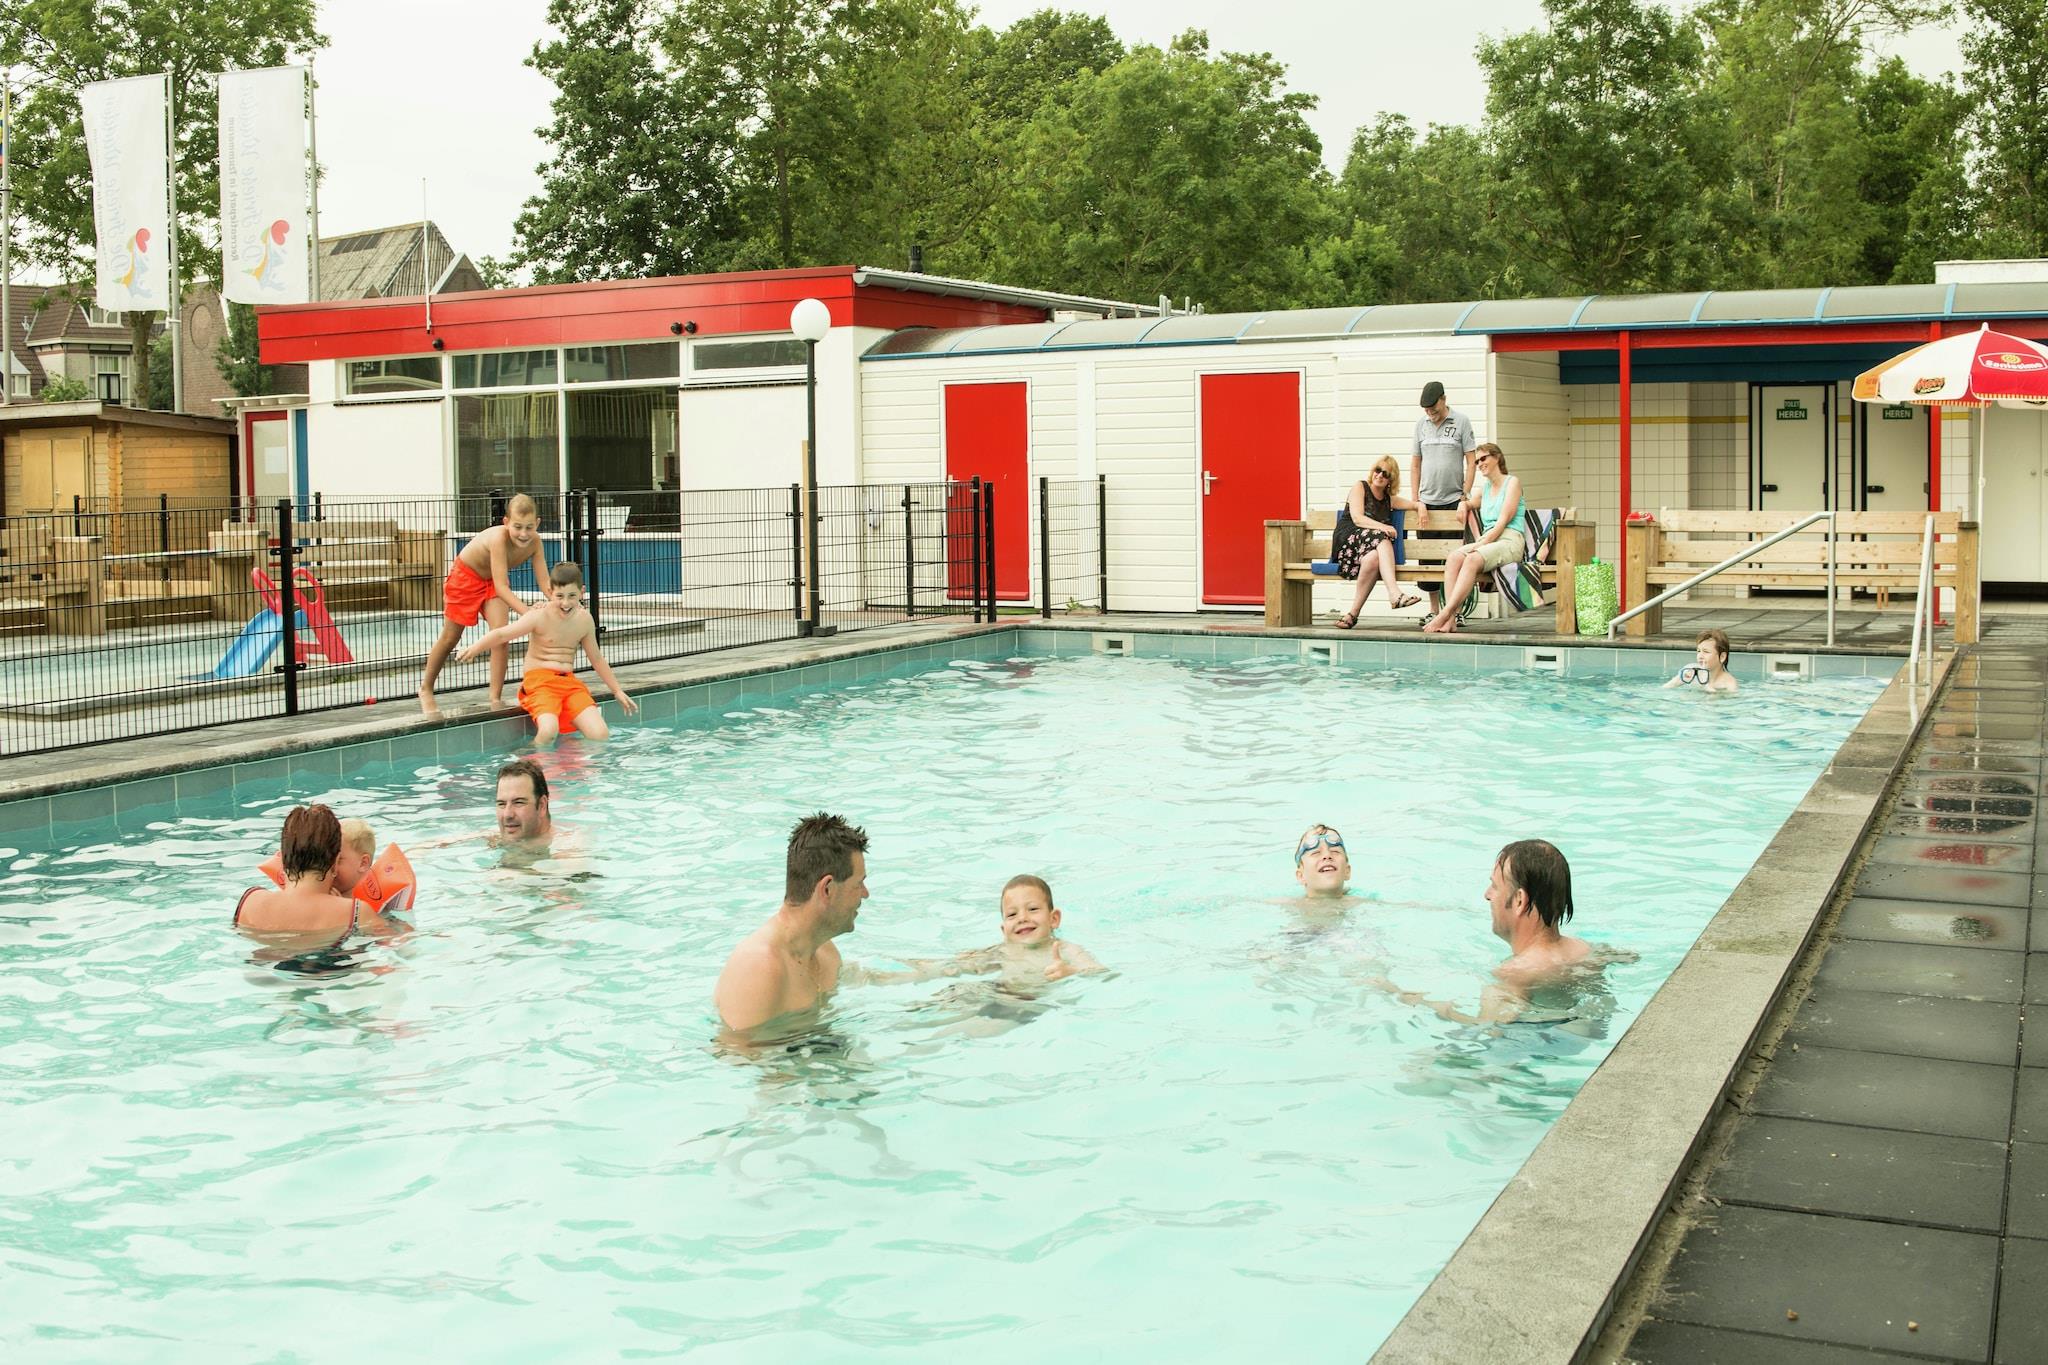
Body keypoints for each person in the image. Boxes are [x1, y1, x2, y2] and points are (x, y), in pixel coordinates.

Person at [1377, 839, 1631, 1027]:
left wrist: (1420, 1002)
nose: (1487, 895)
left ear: (1519, 900)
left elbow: (1489, 1032)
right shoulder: (1586, 950)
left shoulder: (1516, 973)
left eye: (1495, 886)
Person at [715, 813, 872, 1034]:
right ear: (827, 889)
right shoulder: (759, 967)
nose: (865, 894)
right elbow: (735, 1051)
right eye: (858, 884)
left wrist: (921, 975)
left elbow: (858, 976)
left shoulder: (825, 951)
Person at [455, 562, 639, 744]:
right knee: (549, 731)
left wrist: (617, 690)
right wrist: (475, 648)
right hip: (540, 682)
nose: (565, 603)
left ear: (582, 592)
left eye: (572, 596)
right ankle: (529, 756)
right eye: (559, 596)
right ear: (550, 592)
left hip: (568, 683)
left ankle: (575, 762)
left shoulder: (585, 620)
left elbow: (597, 659)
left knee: (600, 734)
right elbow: (502, 634)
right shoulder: (539, 615)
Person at [418, 492, 548, 715]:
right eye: (517, 527)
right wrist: (527, 613)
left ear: (537, 523)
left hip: (492, 583)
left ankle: (495, 698)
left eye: (529, 527)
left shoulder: (535, 542)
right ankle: (426, 688)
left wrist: (561, 599)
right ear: (506, 522)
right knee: (450, 637)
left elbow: (544, 582)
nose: (523, 534)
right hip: (466, 577)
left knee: (501, 635)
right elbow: (502, 587)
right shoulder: (498, 539)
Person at [1423, 443, 1522, 634]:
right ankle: (1450, 620)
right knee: (1454, 557)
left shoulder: (1512, 483)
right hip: (1489, 542)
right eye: (1477, 461)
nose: (1479, 464)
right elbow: (1469, 503)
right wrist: (1463, 504)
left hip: (1509, 540)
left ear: (1497, 458)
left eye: (1483, 458)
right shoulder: (1485, 489)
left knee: (1472, 559)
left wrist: (1482, 542)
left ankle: (1445, 614)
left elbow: (1503, 521)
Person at [947, 875, 1108, 982]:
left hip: (1026, 1004)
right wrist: (961, 963)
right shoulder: (1002, 951)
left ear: (1053, 919)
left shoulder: (1066, 950)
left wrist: (1071, 972)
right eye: (1012, 914)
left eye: (1032, 909)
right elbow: (962, 968)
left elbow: (1103, 974)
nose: (1022, 918)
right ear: (1004, 930)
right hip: (992, 991)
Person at [233, 804, 360, 936]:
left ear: (282, 857)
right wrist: (342, 905)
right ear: (335, 862)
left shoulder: (249, 902)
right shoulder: (355, 914)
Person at [1409, 381, 1479, 616]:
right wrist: (1416, 500)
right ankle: (1433, 610)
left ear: (1444, 399)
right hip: (1427, 503)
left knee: (1454, 558)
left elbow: (1471, 462)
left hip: (1453, 501)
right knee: (1428, 560)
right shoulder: (1421, 425)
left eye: (1434, 408)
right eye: (1427, 410)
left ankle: (1454, 611)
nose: (1431, 413)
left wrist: (1464, 495)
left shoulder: (1461, 421)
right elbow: (1415, 464)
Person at [1333, 457, 1425, 628]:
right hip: (1348, 541)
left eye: (1386, 473)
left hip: (1368, 548)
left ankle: (1352, 614)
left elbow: (1414, 505)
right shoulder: (1360, 487)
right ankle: (1394, 593)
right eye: (1378, 470)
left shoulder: (1389, 500)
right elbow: (1357, 518)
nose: (1380, 475)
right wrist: (1384, 527)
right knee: (1382, 537)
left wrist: (1421, 507)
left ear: (1391, 480)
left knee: (1373, 559)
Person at [1666, 628, 1740, 692]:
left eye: (1706, 652)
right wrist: (1680, 679)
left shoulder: (1729, 684)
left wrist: (1707, 686)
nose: (1700, 656)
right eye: (1698, 651)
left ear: (1722, 657)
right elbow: (1665, 689)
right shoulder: (1692, 671)